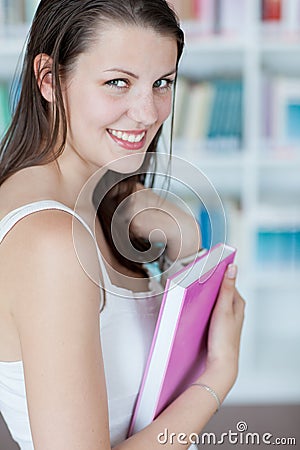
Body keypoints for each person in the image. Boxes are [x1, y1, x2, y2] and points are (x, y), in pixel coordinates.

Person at [0, 1, 245, 449]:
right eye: (118, 82)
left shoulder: (100, 200)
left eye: (162, 83)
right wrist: (215, 378)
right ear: (48, 79)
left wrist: (181, 238)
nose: (148, 113)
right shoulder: (51, 245)